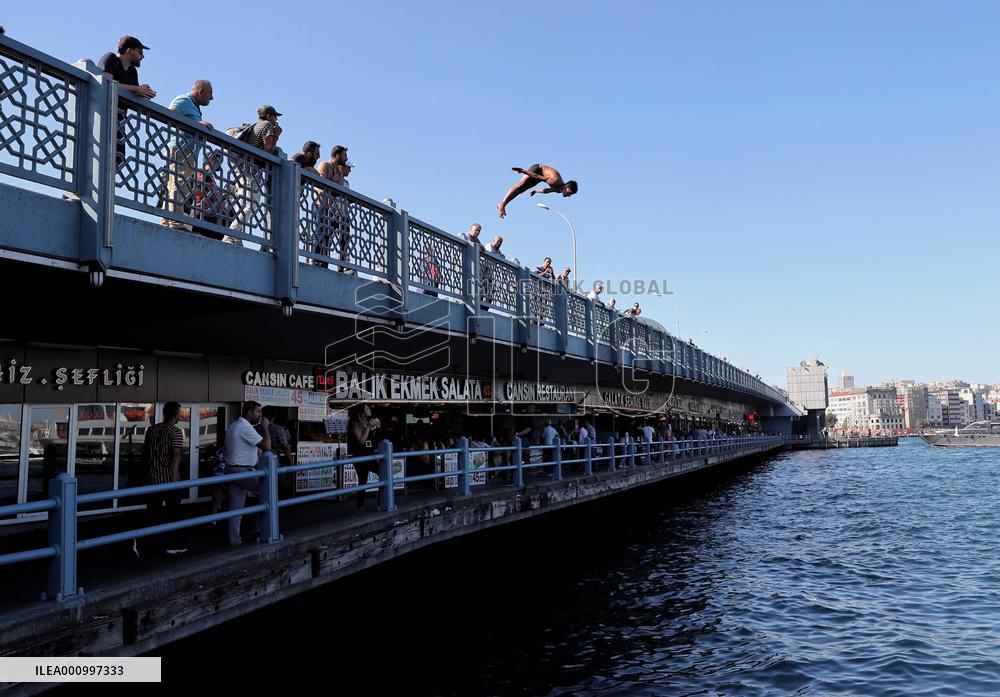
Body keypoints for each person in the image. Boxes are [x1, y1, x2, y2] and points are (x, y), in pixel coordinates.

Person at [159, 80, 214, 230]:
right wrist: (199, 124)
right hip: (181, 148)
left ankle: (166, 221)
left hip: (185, 150)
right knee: (180, 184)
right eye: (210, 93)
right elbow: (170, 114)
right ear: (201, 91)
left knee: (174, 185)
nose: (212, 97)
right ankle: (176, 221)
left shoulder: (192, 105)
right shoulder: (184, 100)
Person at [135, 401, 185, 557]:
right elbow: (176, 455)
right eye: (179, 413)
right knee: (173, 512)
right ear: (176, 414)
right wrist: (175, 477)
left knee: (152, 511)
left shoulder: (151, 430)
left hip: (151, 477)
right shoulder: (175, 432)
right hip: (167, 478)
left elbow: (145, 454)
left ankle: (148, 543)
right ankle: (172, 544)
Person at [98, 36, 156, 169]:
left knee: (116, 160)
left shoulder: (132, 72)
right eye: (140, 52)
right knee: (99, 156)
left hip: (119, 122)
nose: (142, 56)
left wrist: (144, 92)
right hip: (103, 116)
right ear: (129, 50)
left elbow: (133, 93)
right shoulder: (111, 58)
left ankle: (107, 189)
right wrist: (137, 89)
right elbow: (106, 82)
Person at [227, 105, 282, 243]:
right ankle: (229, 235)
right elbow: (268, 149)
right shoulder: (267, 125)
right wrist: (276, 134)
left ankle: (236, 238)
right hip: (250, 171)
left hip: (241, 166)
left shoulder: (256, 125)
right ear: (269, 116)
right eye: (275, 116)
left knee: (242, 205)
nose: (276, 120)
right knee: (252, 205)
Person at [223, 401, 271, 546]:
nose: (260, 415)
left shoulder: (234, 425)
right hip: (243, 470)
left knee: (236, 509)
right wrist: (265, 427)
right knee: (269, 492)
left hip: (232, 469)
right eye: (258, 411)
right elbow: (267, 446)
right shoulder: (244, 427)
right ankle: (260, 531)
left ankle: (235, 541)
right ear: (249, 412)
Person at [497, 164, 578, 218]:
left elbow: (547, 191)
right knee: (521, 184)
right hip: (537, 169)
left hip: (540, 177)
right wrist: (524, 171)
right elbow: (537, 176)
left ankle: (503, 205)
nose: (569, 195)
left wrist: (536, 191)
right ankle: (502, 204)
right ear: (566, 186)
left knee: (521, 190)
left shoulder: (559, 190)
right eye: (569, 193)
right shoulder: (555, 181)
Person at [347, 404, 381, 512]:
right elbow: (361, 441)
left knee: (383, 473)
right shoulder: (356, 424)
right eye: (367, 408)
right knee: (362, 480)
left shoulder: (366, 423)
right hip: (360, 457)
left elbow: (369, 440)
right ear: (362, 412)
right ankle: (360, 506)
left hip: (369, 455)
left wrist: (375, 427)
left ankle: (381, 501)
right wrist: (369, 428)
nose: (370, 409)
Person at [192, 149, 229, 240]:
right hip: (202, 214)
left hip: (213, 216)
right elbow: (198, 190)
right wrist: (214, 195)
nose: (216, 163)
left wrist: (221, 198)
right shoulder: (200, 173)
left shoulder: (212, 177)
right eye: (213, 160)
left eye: (218, 162)